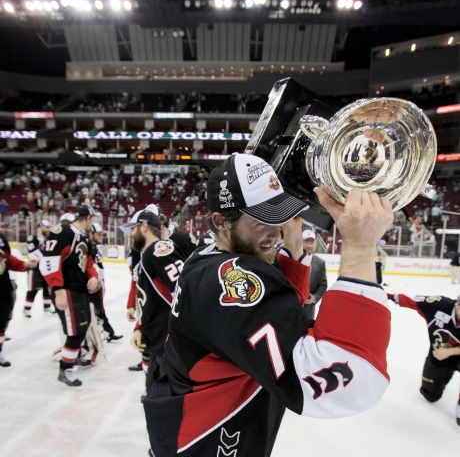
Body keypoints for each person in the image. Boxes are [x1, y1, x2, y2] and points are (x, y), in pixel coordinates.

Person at [144, 153, 393, 456]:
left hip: (189, 425)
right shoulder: (227, 277)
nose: (276, 231)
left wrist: (293, 242)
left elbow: (282, 310)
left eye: (281, 216)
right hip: (206, 439)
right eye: (263, 218)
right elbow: (353, 376)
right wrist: (360, 247)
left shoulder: (208, 255)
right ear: (221, 222)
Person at [120, 210, 187, 391]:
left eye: (132, 229)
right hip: (157, 345)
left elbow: (185, 294)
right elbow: (149, 300)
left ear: (144, 226)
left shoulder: (159, 250)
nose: (130, 235)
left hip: (169, 346)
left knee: (167, 404)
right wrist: (139, 327)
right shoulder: (146, 256)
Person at [40, 205, 99, 387]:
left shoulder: (83, 238)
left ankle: (76, 355)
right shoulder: (64, 231)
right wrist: (58, 291)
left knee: (82, 326)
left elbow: (88, 262)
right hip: (67, 290)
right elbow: (49, 260)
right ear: (88, 218)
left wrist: (94, 278)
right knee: (75, 332)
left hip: (79, 290)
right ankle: (66, 368)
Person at [388, 292, 460, 426]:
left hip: (452, 353)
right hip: (439, 356)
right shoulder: (439, 305)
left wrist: (450, 351)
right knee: (430, 395)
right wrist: (385, 295)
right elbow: (413, 300)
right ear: (457, 304)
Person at [0, 233, 37, 367]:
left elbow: (7, 258)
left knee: (2, 322)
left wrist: (24, 263)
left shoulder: (1, 238)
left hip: (3, 288)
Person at [88, 223, 122, 342]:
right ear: (90, 233)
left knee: (99, 310)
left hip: (97, 284)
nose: (100, 236)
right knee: (97, 310)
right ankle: (105, 333)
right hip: (92, 284)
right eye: (98, 234)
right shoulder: (86, 247)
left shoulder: (94, 247)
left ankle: (106, 332)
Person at [23, 220, 54, 317]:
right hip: (35, 267)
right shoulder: (33, 238)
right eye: (46, 227)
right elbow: (32, 252)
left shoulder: (48, 239)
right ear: (40, 227)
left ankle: (47, 306)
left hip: (45, 267)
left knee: (47, 287)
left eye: (49, 227)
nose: (48, 229)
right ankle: (27, 308)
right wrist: (44, 260)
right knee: (33, 288)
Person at [300, 230, 327, 320]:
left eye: (311, 243)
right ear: (301, 243)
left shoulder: (320, 263)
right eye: (306, 242)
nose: (309, 246)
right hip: (292, 307)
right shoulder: (293, 259)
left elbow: (323, 285)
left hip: (308, 310)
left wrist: (315, 298)